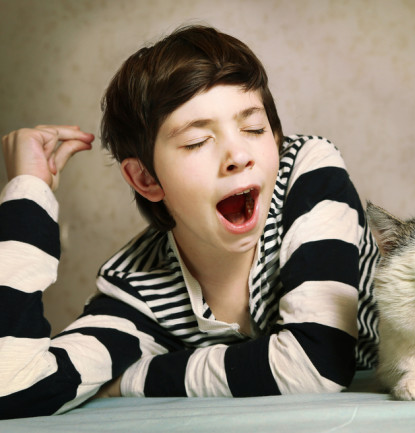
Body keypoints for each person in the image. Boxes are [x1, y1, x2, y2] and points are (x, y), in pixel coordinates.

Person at [0, 25, 379, 419]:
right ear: (146, 179)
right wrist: (28, 193)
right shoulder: (138, 290)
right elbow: (13, 387)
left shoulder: (307, 172)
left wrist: (133, 378)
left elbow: (317, 363)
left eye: (253, 128)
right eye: (197, 141)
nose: (238, 154)